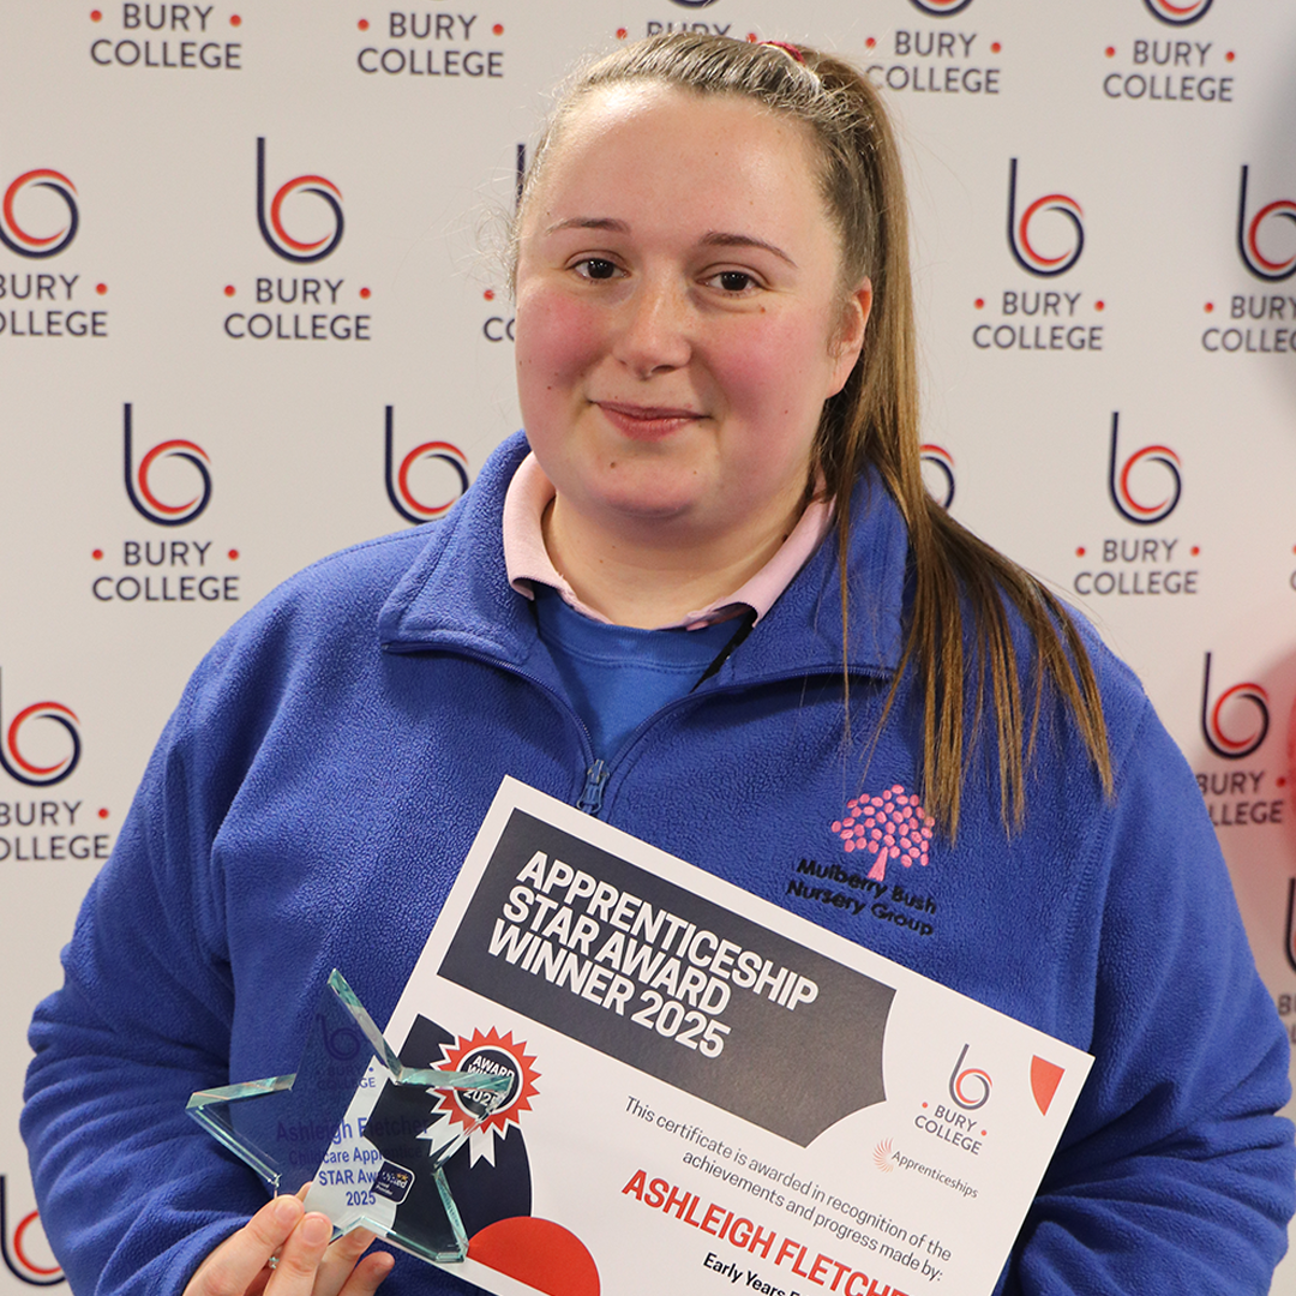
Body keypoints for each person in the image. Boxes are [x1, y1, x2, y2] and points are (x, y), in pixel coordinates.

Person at [22, 32, 1295, 1296]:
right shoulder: (302, 656)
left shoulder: (1038, 714)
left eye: (732, 281)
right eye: (595, 264)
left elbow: (1200, 1156)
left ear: (846, 332)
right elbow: (115, 1053)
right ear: (515, 285)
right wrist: (185, 1267)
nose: (648, 337)